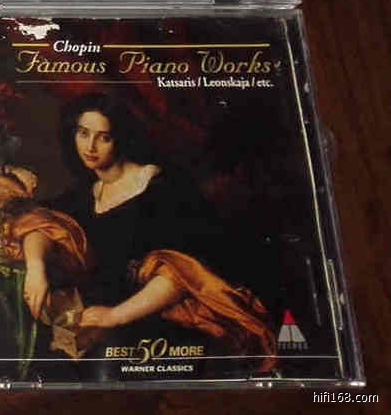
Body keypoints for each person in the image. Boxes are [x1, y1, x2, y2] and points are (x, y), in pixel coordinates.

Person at [14, 94, 275, 372]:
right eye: (83, 134)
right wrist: (36, 268)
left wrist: (114, 316)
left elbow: (181, 273)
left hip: (158, 317)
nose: (90, 147)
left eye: (104, 138)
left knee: (102, 365)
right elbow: (42, 223)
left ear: (120, 138)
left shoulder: (162, 190)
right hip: (101, 315)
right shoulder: (86, 192)